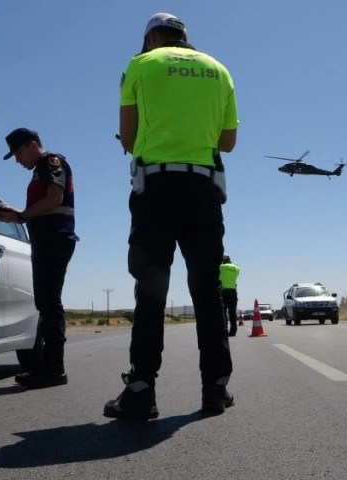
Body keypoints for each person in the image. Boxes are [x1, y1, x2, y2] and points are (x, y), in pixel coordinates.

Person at [103, 12, 239, 419]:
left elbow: (128, 138)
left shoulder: (140, 65)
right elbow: (228, 142)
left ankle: (142, 391)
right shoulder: (219, 70)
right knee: (208, 291)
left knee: (151, 290)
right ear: (185, 37)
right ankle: (215, 389)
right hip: (203, 191)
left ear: (152, 38)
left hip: (155, 191)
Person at [0, 127, 78, 389]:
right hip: (47, 239)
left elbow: (55, 198)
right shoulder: (39, 170)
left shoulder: (50, 162)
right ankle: (50, 367)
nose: (18, 160)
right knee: (46, 301)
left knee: (49, 302)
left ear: (32, 145)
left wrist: (22, 215)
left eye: (19, 153)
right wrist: (18, 214)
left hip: (55, 238)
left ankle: (54, 369)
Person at [219, 254, 240, 337]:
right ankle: (233, 331)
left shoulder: (221, 267)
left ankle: (224, 330)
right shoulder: (236, 268)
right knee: (232, 313)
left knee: (223, 312)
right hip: (233, 292)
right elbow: (237, 268)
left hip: (223, 292)